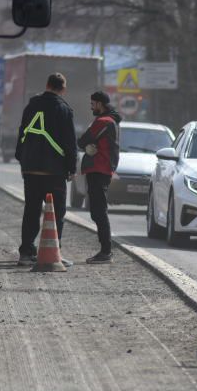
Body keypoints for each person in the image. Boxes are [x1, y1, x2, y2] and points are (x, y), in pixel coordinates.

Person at [14, 72, 77, 265]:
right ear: (63, 89)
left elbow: (21, 134)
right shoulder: (64, 110)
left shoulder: (31, 106)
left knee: (31, 211)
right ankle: (53, 253)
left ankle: (26, 253)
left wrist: (23, 160)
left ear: (47, 84)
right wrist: (71, 168)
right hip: (54, 171)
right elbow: (69, 142)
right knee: (56, 213)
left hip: (31, 170)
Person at [77, 90, 122, 263]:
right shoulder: (111, 121)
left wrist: (88, 143)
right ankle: (105, 250)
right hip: (101, 169)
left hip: (98, 169)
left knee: (99, 211)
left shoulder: (103, 121)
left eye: (93, 104)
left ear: (100, 104)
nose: (91, 107)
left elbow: (82, 141)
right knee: (97, 211)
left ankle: (106, 251)